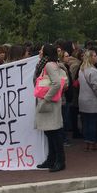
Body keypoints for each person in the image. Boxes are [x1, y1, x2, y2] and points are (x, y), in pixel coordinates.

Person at [34, 44, 66, 172]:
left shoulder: (48, 65)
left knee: (54, 133)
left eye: (41, 50)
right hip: (50, 102)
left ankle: (59, 160)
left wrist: (46, 98)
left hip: (49, 103)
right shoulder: (52, 64)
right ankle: (52, 159)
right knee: (51, 132)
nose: (39, 52)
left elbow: (57, 83)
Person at [78, 49, 97, 151]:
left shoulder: (81, 70)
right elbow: (96, 87)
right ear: (91, 58)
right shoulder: (93, 71)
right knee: (93, 122)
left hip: (82, 98)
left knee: (86, 122)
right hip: (92, 99)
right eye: (95, 56)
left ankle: (87, 142)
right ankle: (92, 142)